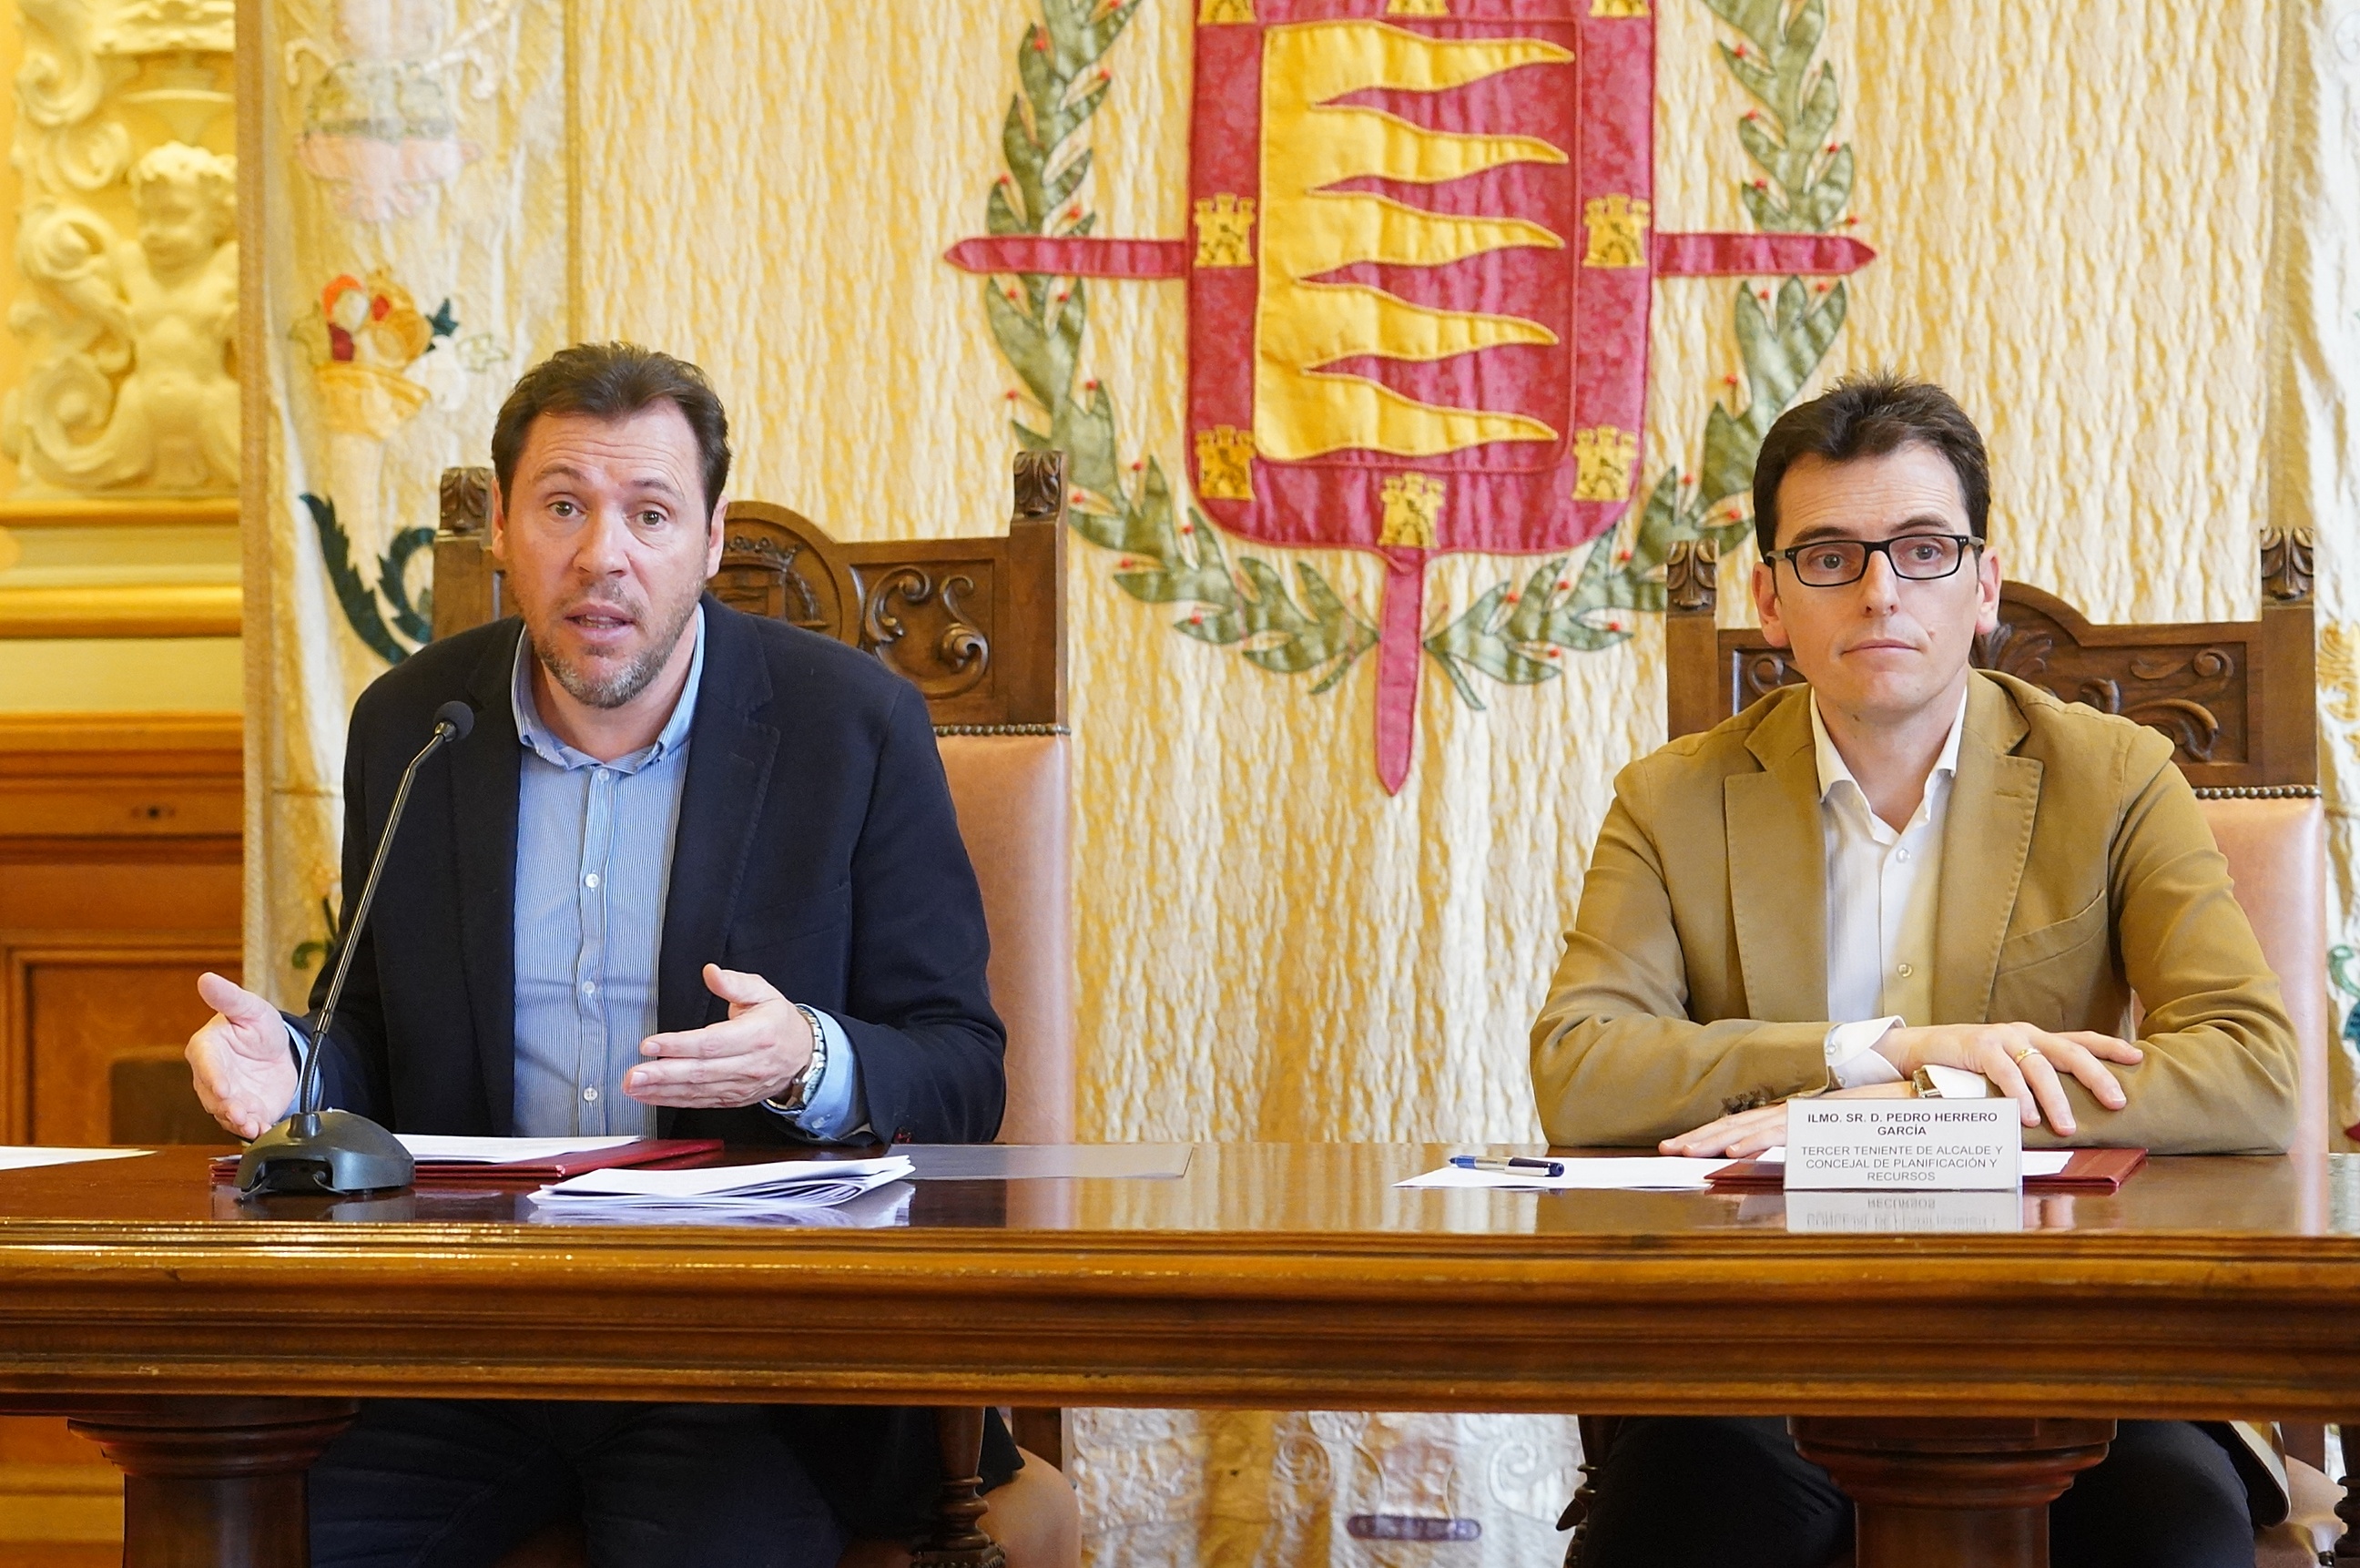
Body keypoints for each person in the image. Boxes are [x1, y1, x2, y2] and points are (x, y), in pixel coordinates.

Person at [184, 341, 1014, 1568]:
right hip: (463, 1345)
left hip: (742, 1363)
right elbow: (375, 1032)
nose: (601, 556)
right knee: (247, 1537)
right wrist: (297, 1071)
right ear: (502, 528)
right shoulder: (416, 723)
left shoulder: (852, 725)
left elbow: (961, 1068)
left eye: (651, 514)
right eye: (563, 506)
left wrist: (808, 1059)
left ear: (713, 538)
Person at [1530, 373, 2299, 1568]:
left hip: (2073, 1340)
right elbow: (1583, 1070)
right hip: (1762, 1347)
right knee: (1675, 1525)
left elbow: (2251, 1071)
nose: (1882, 590)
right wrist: (1881, 1049)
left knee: (2174, 1532)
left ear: (1983, 585)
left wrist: (1912, 1103)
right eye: (1829, 556)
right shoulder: (1671, 798)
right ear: (1771, 599)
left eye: (1925, 550)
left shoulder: (2117, 774)